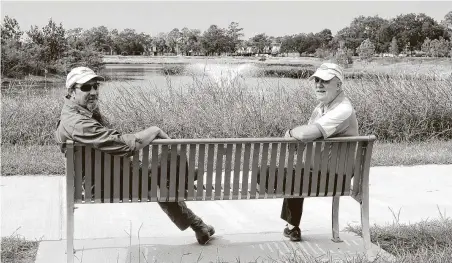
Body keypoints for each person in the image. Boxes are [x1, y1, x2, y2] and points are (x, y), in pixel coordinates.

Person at [55, 66, 215, 245]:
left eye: (95, 86)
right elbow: (123, 146)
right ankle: (186, 181)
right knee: (174, 155)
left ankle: (197, 222)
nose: (93, 91)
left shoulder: (73, 115)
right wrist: (154, 130)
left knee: (160, 181)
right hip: (110, 184)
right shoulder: (78, 123)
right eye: (86, 87)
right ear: (71, 91)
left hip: (113, 177)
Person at [263, 62, 359, 242]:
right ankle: (292, 226)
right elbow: (304, 137)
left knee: (266, 174)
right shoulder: (322, 108)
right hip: (320, 174)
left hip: (334, 178)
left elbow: (305, 133)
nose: (318, 84)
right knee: (293, 172)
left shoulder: (342, 110)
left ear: (339, 85)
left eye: (325, 81)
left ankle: (291, 225)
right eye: (316, 80)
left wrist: (290, 132)